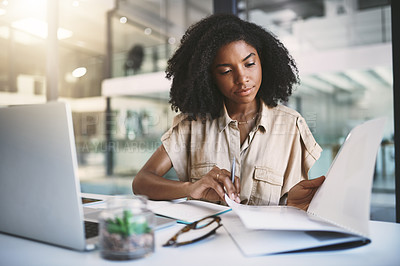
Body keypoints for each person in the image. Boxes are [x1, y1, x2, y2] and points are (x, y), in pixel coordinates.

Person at [132, 14, 325, 210]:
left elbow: (293, 204)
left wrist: (297, 203)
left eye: (249, 64)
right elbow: (142, 182)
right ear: (208, 77)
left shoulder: (291, 125)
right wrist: (190, 188)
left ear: (263, 62)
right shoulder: (192, 125)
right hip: (207, 238)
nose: (242, 79)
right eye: (225, 71)